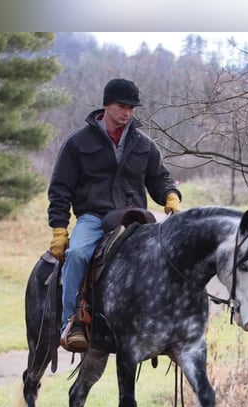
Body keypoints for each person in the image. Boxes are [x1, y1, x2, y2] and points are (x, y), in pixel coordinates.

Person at [47, 78, 182, 352]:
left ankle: (167, 324)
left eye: (132, 107)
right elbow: (60, 189)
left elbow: (160, 179)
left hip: (137, 218)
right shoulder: (77, 143)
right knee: (77, 255)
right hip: (94, 217)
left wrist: (170, 197)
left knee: (167, 256)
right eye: (122, 106)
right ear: (106, 105)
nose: (128, 112)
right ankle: (72, 322)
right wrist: (59, 230)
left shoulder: (144, 144)